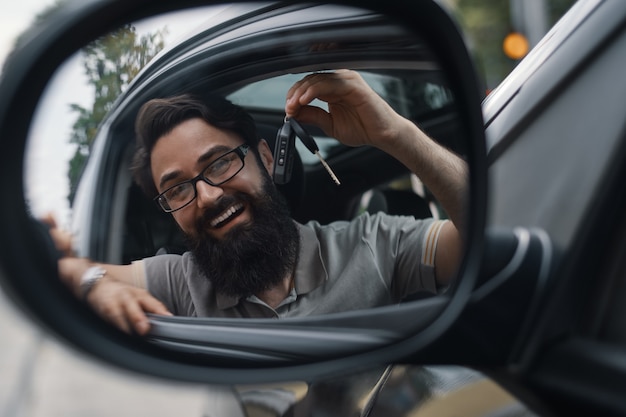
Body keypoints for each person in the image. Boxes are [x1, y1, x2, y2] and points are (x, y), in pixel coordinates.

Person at [50, 70, 467, 335]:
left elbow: (484, 229)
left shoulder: (374, 245)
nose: (208, 196)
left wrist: (396, 134)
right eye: (177, 189)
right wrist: (90, 287)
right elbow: (59, 272)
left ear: (266, 160)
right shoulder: (178, 283)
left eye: (219, 163)